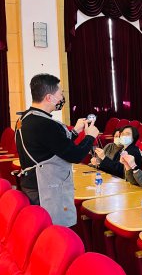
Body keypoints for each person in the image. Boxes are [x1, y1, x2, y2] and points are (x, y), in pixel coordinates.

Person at [15, 73, 99, 227]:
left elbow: (54, 146)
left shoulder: (24, 118)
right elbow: (75, 155)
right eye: (60, 94)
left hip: (32, 183)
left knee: (40, 229)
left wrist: (75, 132)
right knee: (55, 232)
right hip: (47, 189)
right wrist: (90, 137)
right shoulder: (46, 124)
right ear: (49, 97)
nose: (62, 98)